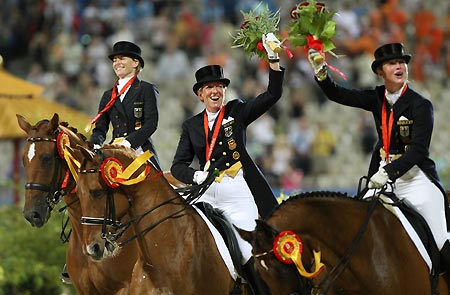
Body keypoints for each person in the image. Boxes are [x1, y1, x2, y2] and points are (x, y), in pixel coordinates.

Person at [308, 42, 450, 271]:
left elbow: (419, 150)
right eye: (392, 63)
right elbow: (337, 94)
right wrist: (320, 71)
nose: (399, 66)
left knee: (442, 241)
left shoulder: (421, 105)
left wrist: (388, 172)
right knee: (357, 231)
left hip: (415, 178)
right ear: (380, 71)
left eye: (402, 62)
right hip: (382, 177)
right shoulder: (376, 98)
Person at [170, 33, 284, 294]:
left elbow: (273, 94)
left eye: (219, 86)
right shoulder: (191, 126)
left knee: (246, 253)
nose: (215, 91)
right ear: (200, 94)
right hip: (205, 192)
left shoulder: (237, 110)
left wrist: (274, 60)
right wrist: (194, 176)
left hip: (237, 192)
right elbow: (178, 165)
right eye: (209, 87)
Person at [88, 41, 161, 169]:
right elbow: (100, 128)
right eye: (114, 60)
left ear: (135, 63)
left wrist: (129, 142)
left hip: (139, 149)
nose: (117, 63)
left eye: (121, 58)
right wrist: (95, 143)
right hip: (114, 147)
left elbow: (151, 124)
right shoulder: (108, 95)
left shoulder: (146, 89)